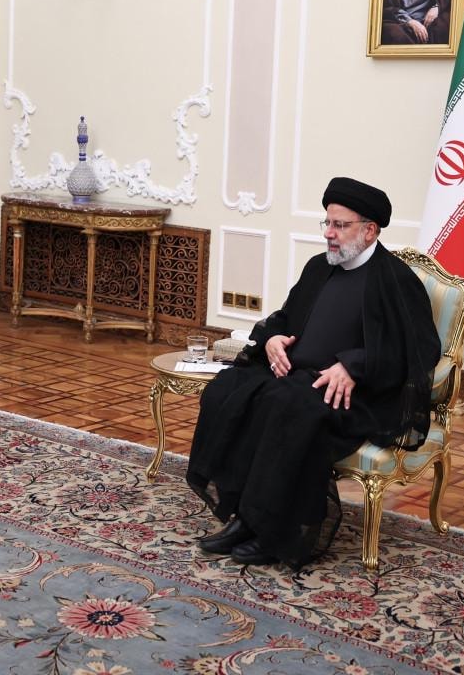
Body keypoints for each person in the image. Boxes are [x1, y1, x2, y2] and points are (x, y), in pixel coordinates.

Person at [187, 177, 440, 567]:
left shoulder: (396, 280)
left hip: (356, 394)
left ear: (370, 230)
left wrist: (354, 366)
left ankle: (273, 531)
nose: (329, 233)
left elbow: (419, 349)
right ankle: (242, 514)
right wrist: (272, 340)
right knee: (229, 387)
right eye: (327, 223)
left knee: (286, 405)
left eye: (340, 225)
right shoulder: (319, 268)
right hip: (297, 376)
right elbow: (285, 317)